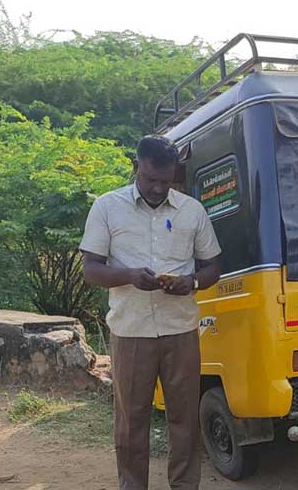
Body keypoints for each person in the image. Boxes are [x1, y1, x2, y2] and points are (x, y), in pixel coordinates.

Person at [80, 135, 222, 490]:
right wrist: (129, 276)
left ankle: (185, 485)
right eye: (151, 179)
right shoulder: (106, 207)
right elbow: (91, 269)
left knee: (185, 419)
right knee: (132, 421)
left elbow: (212, 267)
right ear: (137, 166)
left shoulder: (192, 211)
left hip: (181, 331)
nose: (159, 188)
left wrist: (191, 281)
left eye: (167, 180)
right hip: (130, 332)